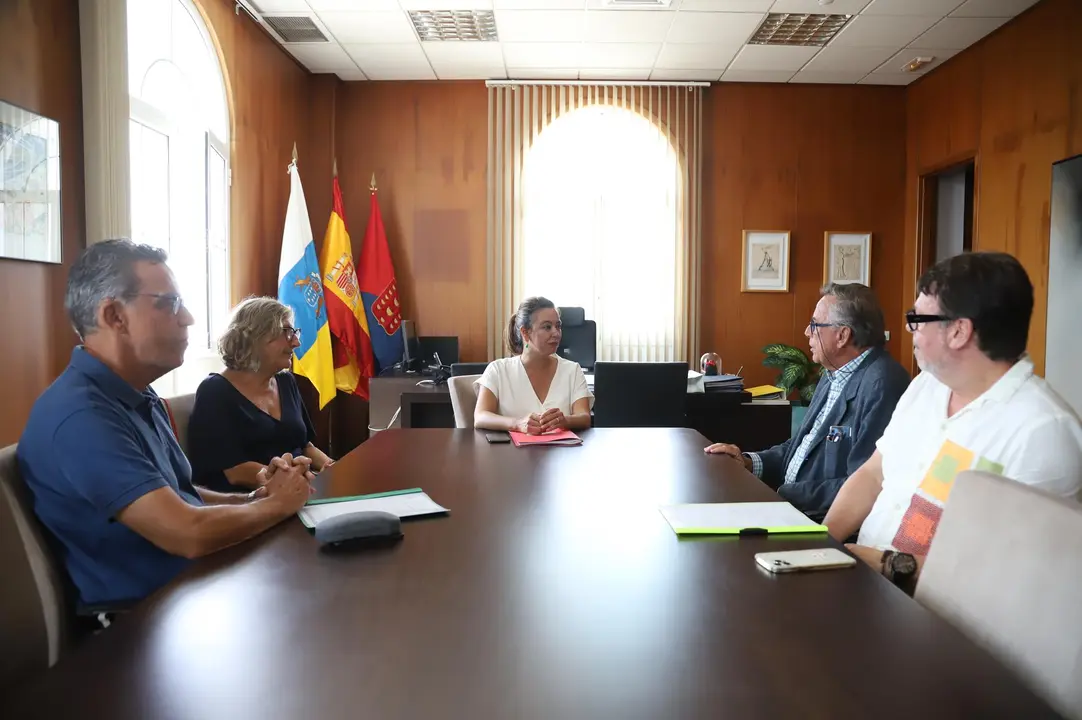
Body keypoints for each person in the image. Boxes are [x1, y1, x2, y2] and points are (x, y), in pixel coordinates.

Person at [17, 240, 315, 610]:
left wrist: (255, 498)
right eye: (169, 303)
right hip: (143, 622)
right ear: (114, 316)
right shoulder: (81, 416)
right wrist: (277, 506)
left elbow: (181, 493)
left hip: (197, 587)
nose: (188, 317)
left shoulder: (138, 393)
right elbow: (185, 532)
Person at [823, 252, 1082, 593]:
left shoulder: (1043, 432)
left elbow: (1014, 576)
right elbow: (874, 473)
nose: (909, 328)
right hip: (868, 588)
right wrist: (820, 547)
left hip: (947, 625)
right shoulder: (925, 386)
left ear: (959, 331)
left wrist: (887, 565)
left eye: (918, 318)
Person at [705, 283, 910, 520]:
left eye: (814, 325)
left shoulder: (882, 384)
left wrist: (782, 495)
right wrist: (750, 462)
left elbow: (865, 483)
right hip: (792, 507)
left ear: (842, 335)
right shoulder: (834, 373)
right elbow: (802, 448)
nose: (806, 332)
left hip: (824, 521)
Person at [187, 297, 335, 493]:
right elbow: (234, 471)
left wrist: (332, 467)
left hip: (297, 489)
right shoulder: (214, 391)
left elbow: (305, 445)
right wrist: (293, 479)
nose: (296, 342)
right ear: (255, 337)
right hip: (247, 503)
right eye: (287, 333)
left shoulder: (286, 381)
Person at [474, 297, 593, 434]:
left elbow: (584, 418)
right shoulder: (498, 370)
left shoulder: (573, 370)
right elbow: (480, 416)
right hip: (510, 453)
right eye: (547, 327)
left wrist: (565, 420)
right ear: (525, 333)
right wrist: (517, 423)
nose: (556, 333)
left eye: (558, 326)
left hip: (561, 453)